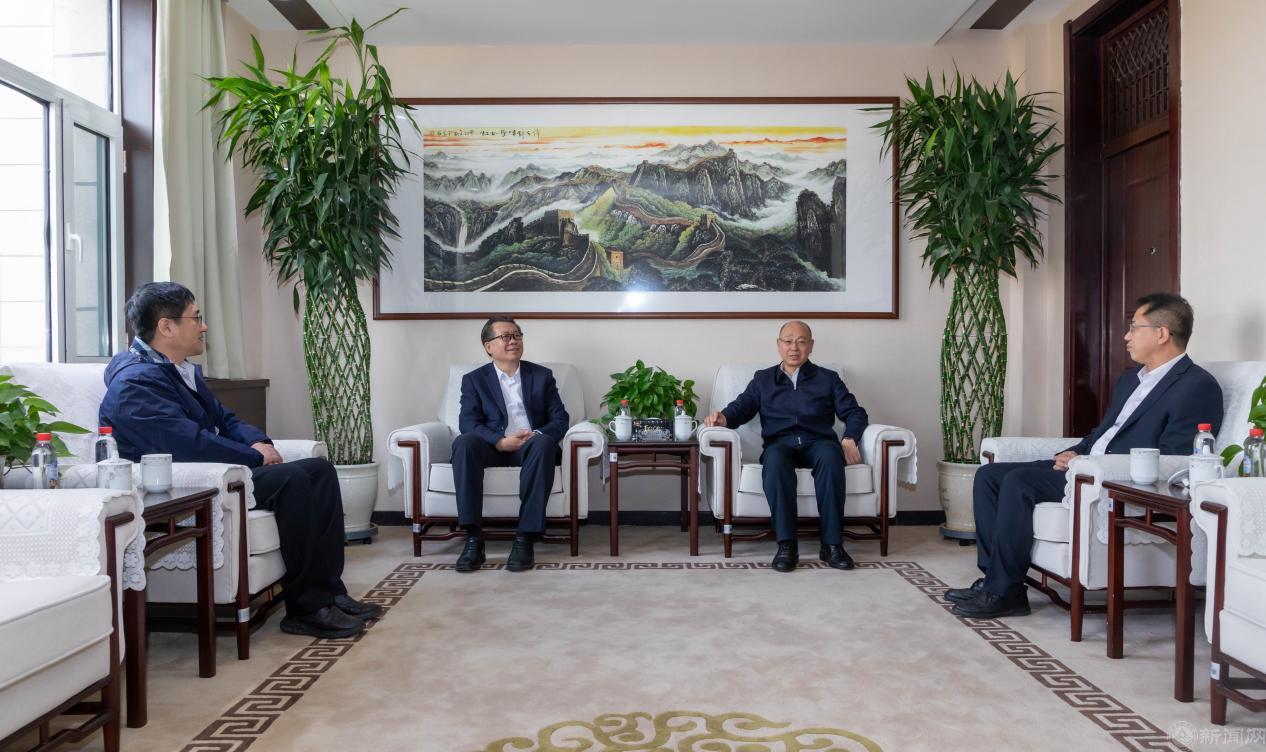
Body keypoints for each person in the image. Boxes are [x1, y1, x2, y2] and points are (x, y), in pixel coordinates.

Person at [100, 282, 381, 639]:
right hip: (192, 483)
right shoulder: (135, 383)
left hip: (218, 470)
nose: (203, 326)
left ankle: (329, 592)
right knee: (293, 480)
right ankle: (307, 609)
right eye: (196, 318)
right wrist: (253, 457)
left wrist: (260, 442)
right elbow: (190, 444)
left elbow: (225, 418)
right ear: (166, 327)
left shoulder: (175, 368)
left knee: (319, 470)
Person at [949, 292, 1224, 619]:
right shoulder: (1130, 379)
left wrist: (1090, 464)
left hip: (1112, 479)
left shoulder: (1196, 386)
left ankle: (1003, 592)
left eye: (1134, 327)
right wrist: (1075, 452)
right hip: (1085, 467)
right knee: (989, 476)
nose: (1126, 336)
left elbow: (1173, 458)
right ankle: (997, 581)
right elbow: (1104, 433)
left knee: (1018, 482)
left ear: (1162, 333)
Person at [704, 320, 868, 572]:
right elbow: (742, 407)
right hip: (780, 444)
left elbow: (856, 413)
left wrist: (849, 438)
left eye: (801, 342)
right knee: (775, 460)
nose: (794, 347)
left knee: (831, 455)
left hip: (818, 442)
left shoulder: (828, 379)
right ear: (778, 345)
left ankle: (832, 545)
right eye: (788, 341)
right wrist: (723, 418)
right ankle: (787, 545)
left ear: (811, 346)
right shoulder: (763, 379)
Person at [451, 316, 569, 573]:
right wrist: (500, 441)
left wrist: (535, 434)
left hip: (531, 446)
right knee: (464, 443)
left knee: (544, 443)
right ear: (488, 346)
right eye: (505, 336)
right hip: (492, 446)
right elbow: (467, 422)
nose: (513, 340)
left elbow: (560, 419)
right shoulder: (474, 379)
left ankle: (525, 538)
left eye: (517, 335)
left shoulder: (542, 376)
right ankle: (473, 539)